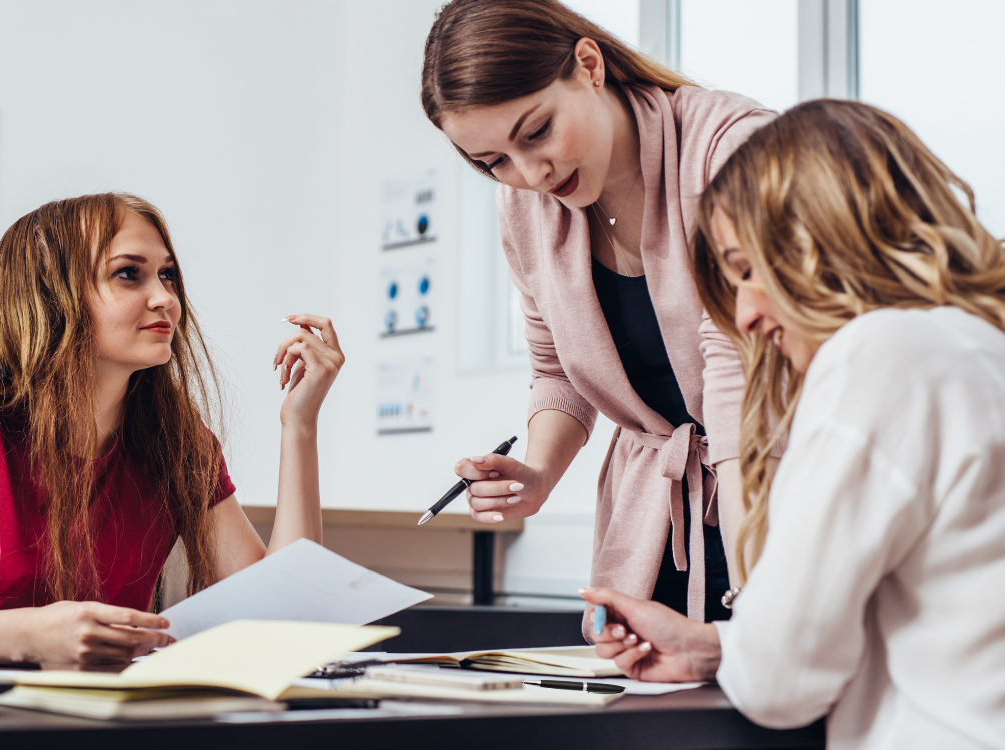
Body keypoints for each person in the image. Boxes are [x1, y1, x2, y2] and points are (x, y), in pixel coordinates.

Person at [583, 100, 1005, 748]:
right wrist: (717, 647)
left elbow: (783, 681)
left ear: (822, 239)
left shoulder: (880, 356)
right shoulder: (978, 347)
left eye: (747, 271)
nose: (745, 316)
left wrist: (749, 650)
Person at [0, 192, 346, 667]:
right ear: (51, 295)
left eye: (167, 275)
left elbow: (285, 612)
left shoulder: (176, 438)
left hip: (104, 720)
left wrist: (299, 425)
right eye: (129, 274)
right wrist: (32, 635)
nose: (165, 298)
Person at [422, 0, 775, 630]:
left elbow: (739, 367)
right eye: (493, 161)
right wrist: (536, 475)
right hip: (659, 525)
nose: (529, 174)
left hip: (771, 486)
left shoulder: (730, 147)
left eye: (536, 132)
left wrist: (760, 577)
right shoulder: (525, 209)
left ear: (589, 64)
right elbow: (557, 369)